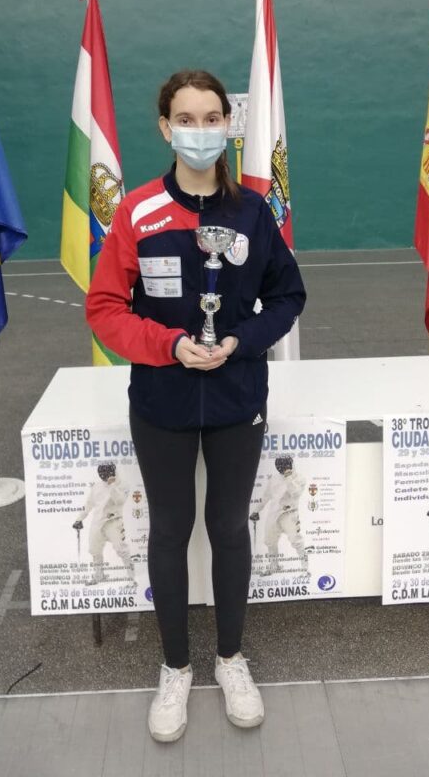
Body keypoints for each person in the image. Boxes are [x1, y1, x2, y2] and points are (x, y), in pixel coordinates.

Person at [86, 69, 306, 743]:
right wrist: (169, 346)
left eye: (212, 118)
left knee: (231, 527)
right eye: (186, 118)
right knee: (171, 530)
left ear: (227, 126)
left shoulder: (253, 212)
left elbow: (289, 297)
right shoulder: (138, 212)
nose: (200, 131)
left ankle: (231, 659)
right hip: (163, 401)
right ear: (165, 127)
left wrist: (240, 340)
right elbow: (104, 308)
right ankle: (175, 667)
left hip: (238, 398)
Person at [72, 462, 135, 585]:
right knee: (95, 550)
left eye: (106, 473)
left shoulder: (123, 484)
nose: (104, 477)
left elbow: (119, 501)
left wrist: (112, 485)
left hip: (114, 521)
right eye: (102, 474)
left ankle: (132, 578)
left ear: (112, 472)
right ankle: (99, 576)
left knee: (121, 549)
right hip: (97, 522)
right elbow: (88, 504)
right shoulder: (97, 487)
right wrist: (79, 519)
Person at [250, 454, 309, 576]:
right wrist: (256, 510)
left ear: (291, 464)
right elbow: (266, 496)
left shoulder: (300, 478)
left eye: (285, 465)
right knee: (270, 541)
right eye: (281, 466)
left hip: (289, 514)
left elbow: (295, 493)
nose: (283, 468)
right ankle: (274, 567)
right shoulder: (274, 479)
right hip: (273, 514)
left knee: (296, 541)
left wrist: (288, 477)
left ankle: (305, 569)